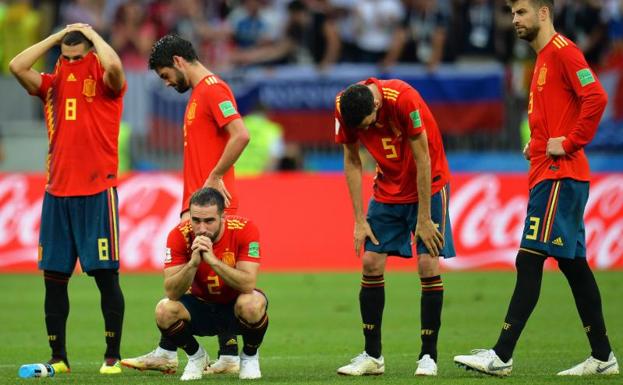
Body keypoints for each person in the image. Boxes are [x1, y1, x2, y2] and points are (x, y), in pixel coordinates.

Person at [454, 0, 619, 377]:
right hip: (553, 173)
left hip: (559, 175)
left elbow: (597, 97)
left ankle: (502, 354)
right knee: (574, 265)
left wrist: (570, 141)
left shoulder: (562, 51)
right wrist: (541, 141)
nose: (514, 19)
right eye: (512, 13)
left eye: (522, 12)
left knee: (528, 258)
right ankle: (603, 356)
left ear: (543, 13)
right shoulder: (542, 59)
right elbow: (559, 113)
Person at [121, 34, 250, 375]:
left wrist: (213, 179)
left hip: (212, 204)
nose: (166, 83)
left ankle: (171, 352)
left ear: (178, 61)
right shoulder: (199, 94)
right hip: (198, 203)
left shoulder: (213, 89)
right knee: (203, 279)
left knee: (204, 277)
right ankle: (227, 356)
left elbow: (242, 134)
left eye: (165, 75)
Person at [9, 23, 127, 374]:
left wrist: (93, 35)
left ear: (90, 52)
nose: (71, 62)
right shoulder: (51, 85)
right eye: (65, 56)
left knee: (106, 277)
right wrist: (59, 36)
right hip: (56, 194)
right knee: (54, 279)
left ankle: (112, 356)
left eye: (78, 56)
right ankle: (58, 359)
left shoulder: (107, 81)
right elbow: (16, 66)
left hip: (96, 192)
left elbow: (116, 67)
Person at [334, 77, 455, 376]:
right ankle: (372, 356)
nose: (364, 131)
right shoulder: (343, 106)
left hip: (427, 186)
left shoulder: (403, 99)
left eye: (367, 123)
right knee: (371, 261)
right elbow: (351, 160)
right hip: (387, 188)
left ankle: (428, 356)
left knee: (427, 266)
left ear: (376, 104)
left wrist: (424, 218)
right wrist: (359, 220)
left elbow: (423, 157)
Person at [145, 187, 268, 381]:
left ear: (223, 217)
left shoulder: (245, 230)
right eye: (196, 220)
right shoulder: (178, 235)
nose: (202, 228)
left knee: (252, 303)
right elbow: (171, 292)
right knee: (164, 310)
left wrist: (212, 261)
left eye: (209, 220)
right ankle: (196, 356)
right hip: (200, 307)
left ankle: (250, 356)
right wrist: (193, 263)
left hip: (234, 308)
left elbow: (248, 284)